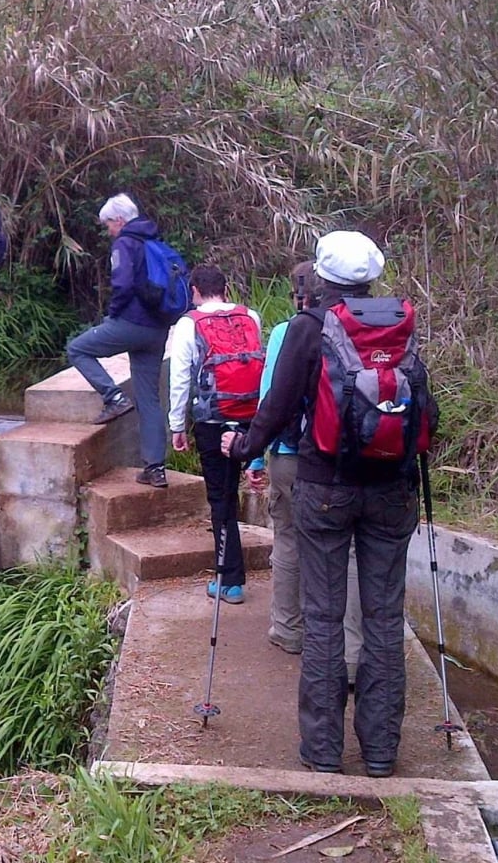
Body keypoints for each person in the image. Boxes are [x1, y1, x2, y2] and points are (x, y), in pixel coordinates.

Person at [222, 231, 418, 778]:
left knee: (325, 618)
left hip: (325, 487)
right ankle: (380, 753)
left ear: (322, 278)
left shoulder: (310, 327)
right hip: (392, 489)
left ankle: (324, 752)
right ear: (372, 277)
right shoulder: (400, 323)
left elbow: (278, 406)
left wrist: (243, 447)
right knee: (384, 619)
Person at [251, 262, 363, 679]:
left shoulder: (289, 331)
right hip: (354, 458)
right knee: (350, 550)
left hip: (293, 454)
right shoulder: (370, 327)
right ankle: (352, 654)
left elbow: (270, 399)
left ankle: (289, 629)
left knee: (289, 537)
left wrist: (254, 457)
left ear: (299, 294)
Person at [166, 264, 263, 603]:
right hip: (251, 417)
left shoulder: (188, 323)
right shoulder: (249, 316)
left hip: (212, 420)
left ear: (194, 290)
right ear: (226, 288)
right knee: (240, 485)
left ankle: (230, 581)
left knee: (221, 498)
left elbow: (180, 377)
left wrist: (177, 425)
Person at [66, 194, 172, 487]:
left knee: (77, 349)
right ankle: (155, 468)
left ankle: (113, 397)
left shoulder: (125, 243)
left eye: (109, 225)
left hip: (131, 323)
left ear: (120, 220)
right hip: (158, 330)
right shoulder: (155, 240)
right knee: (149, 399)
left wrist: (113, 315)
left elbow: (122, 285)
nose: (109, 231)